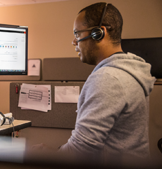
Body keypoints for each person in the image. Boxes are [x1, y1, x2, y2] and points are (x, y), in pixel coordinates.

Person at [34, 2, 156, 160]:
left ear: (99, 33)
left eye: (77, 34)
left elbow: (82, 150)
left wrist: (47, 154)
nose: (74, 42)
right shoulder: (128, 71)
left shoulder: (108, 78)